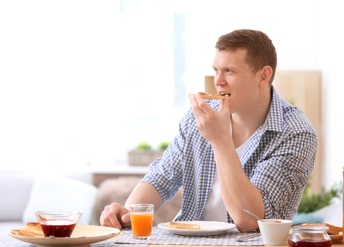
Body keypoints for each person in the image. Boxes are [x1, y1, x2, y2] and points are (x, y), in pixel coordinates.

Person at [100, 29, 317, 232]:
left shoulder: (296, 134)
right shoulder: (201, 117)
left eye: (229, 71)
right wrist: (128, 213)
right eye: (216, 70)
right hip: (187, 240)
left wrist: (221, 140)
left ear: (263, 76)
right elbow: (162, 176)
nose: (218, 81)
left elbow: (250, 220)